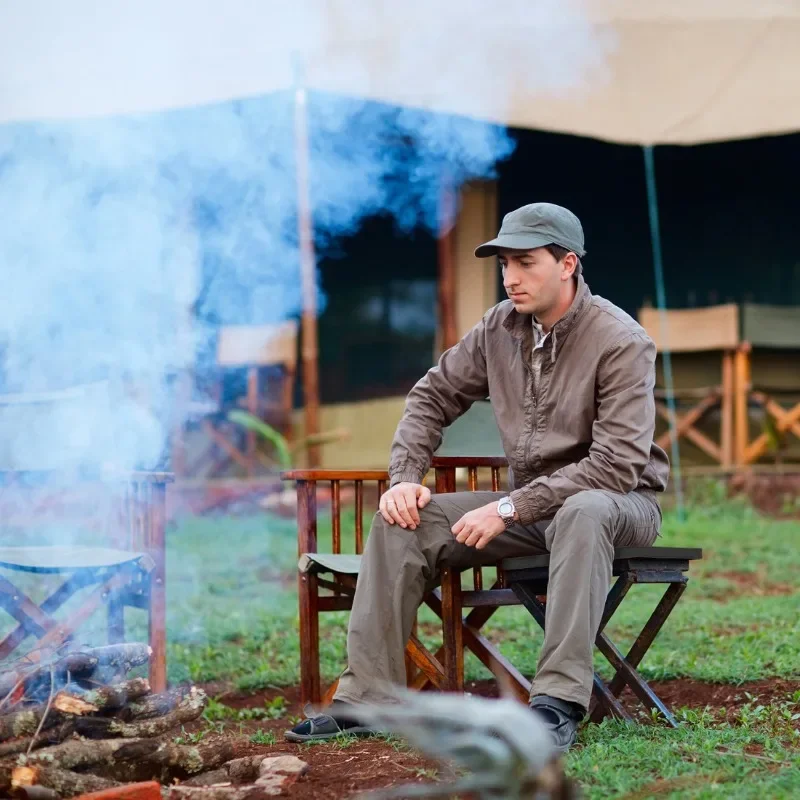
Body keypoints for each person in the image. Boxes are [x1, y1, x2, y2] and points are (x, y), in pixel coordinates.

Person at [286, 202, 670, 752]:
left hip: (618, 506)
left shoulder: (620, 340)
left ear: (567, 264)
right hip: (530, 509)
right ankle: (369, 699)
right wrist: (403, 477)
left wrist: (508, 508)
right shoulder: (498, 327)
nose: (511, 278)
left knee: (584, 511)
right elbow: (432, 397)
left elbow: (614, 466)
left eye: (525, 263)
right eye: (505, 264)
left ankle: (556, 703)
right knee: (405, 520)